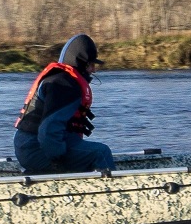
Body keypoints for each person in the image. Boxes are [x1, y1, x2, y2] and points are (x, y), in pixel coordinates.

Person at [13, 34, 116, 175]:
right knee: (101, 153)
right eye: (91, 65)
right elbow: (48, 131)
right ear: (80, 63)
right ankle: (112, 193)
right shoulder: (64, 86)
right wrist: (58, 161)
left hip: (29, 145)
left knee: (86, 151)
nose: (94, 70)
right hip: (36, 149)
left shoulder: (61, 80)